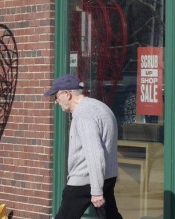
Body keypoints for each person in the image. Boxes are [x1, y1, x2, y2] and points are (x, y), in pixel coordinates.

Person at [44, 74, 124, 219]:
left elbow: (95, 153)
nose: (55, 102)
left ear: (67, 94)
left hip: (85, 181)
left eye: (56, 96)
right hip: (106, 177)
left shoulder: (83, 115)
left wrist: (96, 190)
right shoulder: (101, 107)